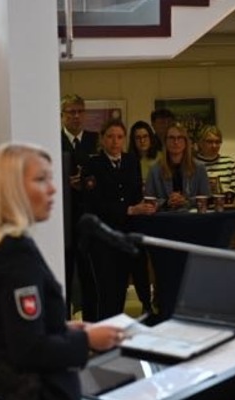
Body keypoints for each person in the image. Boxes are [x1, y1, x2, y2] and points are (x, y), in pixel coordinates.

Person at [0, 143, 124, 400]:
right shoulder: (14, 252)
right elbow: (28, 349)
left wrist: (61, 327)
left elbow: (8, 328)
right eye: (41, 180)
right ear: (12, 188)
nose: (53, 189)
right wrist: (87, 340)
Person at [81, 120, 157, 321]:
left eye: (120, 137)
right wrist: (129, 209)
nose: (115, 142)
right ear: (102, 139)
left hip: (127, 235)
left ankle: (120, 335)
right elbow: (94, 203)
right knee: (108, 293)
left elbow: (134, 194)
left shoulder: (131, 161)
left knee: (123, 288)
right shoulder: (93, 164)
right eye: (110, 137)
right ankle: (105, 339)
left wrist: (146, 205)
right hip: (103, 237)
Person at [60, 94, 100, 314]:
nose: (76, 116)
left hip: (89, 216)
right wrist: (66, 183)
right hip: (63, 218)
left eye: (79, 111)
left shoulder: (95, 140)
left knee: (89, 274)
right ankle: (63, 321)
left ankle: (92, 323)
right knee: (63, 273)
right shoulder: (53, 139)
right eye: (71, 112)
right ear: (62, 116)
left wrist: (86, 184)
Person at [125, 120, 161, 313]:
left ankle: (159, 300)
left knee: (159, 261)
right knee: (138, 263)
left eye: (145, 136)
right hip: (136, 218)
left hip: (158, 217)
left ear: (151, 138)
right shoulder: (128, 160)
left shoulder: (161, 158)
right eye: (137, 138)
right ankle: (145, 303)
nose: (142, 141)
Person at [145, 122, 211, 210]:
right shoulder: (155, 170)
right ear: (165, 142)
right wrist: (166, 202)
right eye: (171, 138)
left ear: (185, 142)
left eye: (179, 138)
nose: (176, 142)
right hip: (164, 219)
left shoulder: (199, 168)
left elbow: (207, 198)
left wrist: (186, 201)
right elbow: (148, 200)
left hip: (192, 219)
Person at [195, 125, 235, 196]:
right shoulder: (191, 163)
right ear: (200, 143)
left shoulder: (230, 163)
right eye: (209, 142)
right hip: (200, 206)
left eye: (217, 142)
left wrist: (223, 190)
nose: (214, 146)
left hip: (225, 205)